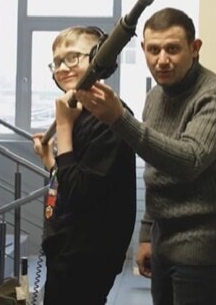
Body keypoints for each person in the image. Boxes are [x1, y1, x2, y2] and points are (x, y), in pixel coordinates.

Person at [75, 8, 216, 305]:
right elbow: (156, 170)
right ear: (143, 49)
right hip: (165, 244)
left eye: (172, 49)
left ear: (195, 48)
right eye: (154, 50)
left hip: (206, 251)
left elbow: (188, 162)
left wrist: (119, 119)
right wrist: (147, 234)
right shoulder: (156, 96)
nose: (162, 60)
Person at [32, 26, 137, 305]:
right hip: (66, 247)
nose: (62, 68)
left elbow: (80, 193)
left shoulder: (109, 117)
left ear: (99, 59)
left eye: (72, 57)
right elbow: (73, 181)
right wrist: (50, 161)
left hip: (87, 256)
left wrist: (63, 128)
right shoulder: (78, 112)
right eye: (56, 62)